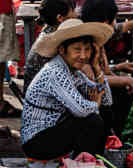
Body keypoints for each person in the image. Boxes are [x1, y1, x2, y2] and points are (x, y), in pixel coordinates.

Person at [20, 19, 115, 159]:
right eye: (77, 50)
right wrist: (97, 103)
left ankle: (92, 163)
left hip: (56, 129)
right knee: (92, 121)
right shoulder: (55, 71)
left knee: (103, 114)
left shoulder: (73, 72)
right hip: (36, 141)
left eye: (87, 50)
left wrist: (96, 67)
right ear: (62, 50)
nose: (83, 56)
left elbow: (107, 100)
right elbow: (82, 111)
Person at [80, 0, 133, 136]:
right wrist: (127, 80)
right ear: (106, 21)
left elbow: (101, 72)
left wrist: (118, 69)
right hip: (82, 99)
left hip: (89, 89)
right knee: (116, 98)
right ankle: (109, 137)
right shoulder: (85, 45)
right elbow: (90, 79)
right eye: (114, 20)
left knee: (123, 92)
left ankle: (112, 136)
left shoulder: (95, 37)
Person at [22, 0, 76, 89]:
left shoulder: (49, 31)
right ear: (60, 18)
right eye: (73, 11)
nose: (76, 15)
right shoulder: (54, 40)